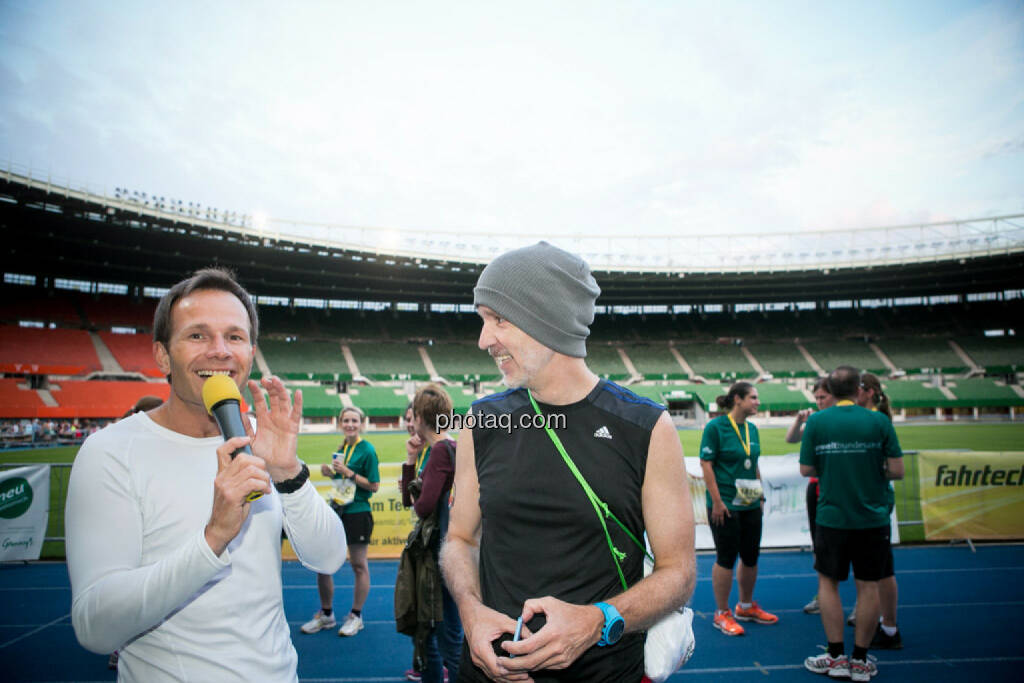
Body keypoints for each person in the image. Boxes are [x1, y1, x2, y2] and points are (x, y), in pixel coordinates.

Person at [65, 267, 346, 682]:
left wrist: (287, 471)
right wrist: (213, 538)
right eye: (197, 335)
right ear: (163, 354)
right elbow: (95, 626)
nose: (220, 350)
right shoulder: (111, 452)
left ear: (251, 351)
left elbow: (329, 556)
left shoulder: (257, 441)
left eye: (235, 336)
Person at [440, 241, 696, 682]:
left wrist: (598, 620)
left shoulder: (646, 427)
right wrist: (470, 609)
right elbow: (459, 539)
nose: (484, 339)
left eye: (497, 319)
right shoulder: (480, 422)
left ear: (548, 318)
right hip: (490, 672)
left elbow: (679, 574)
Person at [800, 366, 904, 681]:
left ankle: (835, 657)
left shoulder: (817, 420)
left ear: (830, 388)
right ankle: (859, 660)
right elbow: (897, 470)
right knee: (868, 585)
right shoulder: (879, 421)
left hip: (832, 516)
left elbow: (807, 469)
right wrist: (870, 468)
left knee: (828, 584)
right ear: (858, 388)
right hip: (872, 517)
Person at [700, 381, 778, 637]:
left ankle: (745, 606)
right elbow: (707, 465)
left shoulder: (752, 429)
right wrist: (718, 501)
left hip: (750, 503)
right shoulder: (716, 427)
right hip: (725, 505)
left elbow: (752, 464)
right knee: (726, 558)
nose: (757, 402)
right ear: (737, 399)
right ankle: (721, 612)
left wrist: (761, 495)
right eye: (753, 398)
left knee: (751, 556)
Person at [401, 383, 462, 683]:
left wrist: (413, 469)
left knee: (439, 631)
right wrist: (412, 460)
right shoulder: (450, 447)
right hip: (453, 549)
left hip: (437, 553)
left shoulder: (440, 451)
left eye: (413, 416)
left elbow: (421, 508)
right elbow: (410, 500)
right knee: (448, 628)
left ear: (421, 417)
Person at [301, 405, 380, 637]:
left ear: (361, 424)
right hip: (336, 510)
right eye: (346, 420)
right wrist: (331, 472)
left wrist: (347, 472)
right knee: (323, 564)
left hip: (357, 511)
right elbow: (342, 480)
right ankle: (326, 615)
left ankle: (356, 616)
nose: (350, 424)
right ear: (340, 424)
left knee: (358, 564)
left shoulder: (367, 450)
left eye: (354, 421)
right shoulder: (342, 447)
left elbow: (373, 485)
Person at [856, 372, 902, 649]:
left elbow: (896, 468)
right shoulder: (870, 420)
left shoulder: (878, 421)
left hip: (874, 503)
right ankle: (880, 622)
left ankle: (889, 627)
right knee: (874, 572)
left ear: (870, 392)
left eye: (858, 388)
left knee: (880, 571)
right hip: (869, 503)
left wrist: (866, 471)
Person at [785, 378, 835, 615]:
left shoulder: (843, 419)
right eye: (816, 398)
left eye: (822, 397)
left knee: (855, 548)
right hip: (817, 489)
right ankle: (822, 595)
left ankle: (861, 602)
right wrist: (799, 421)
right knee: (821, 547)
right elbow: (792, 438)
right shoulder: (816, 420)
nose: (819, 402)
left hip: (840, 490)